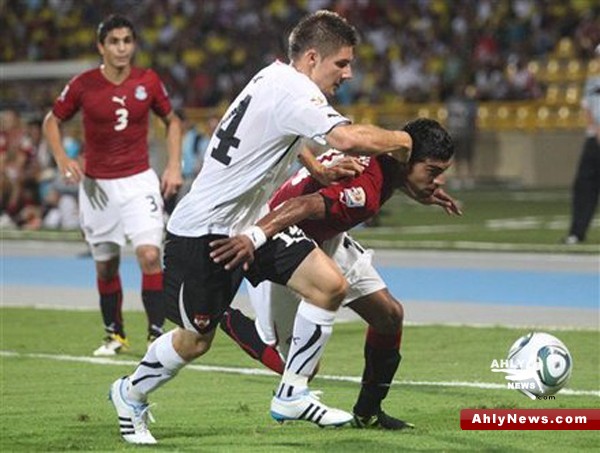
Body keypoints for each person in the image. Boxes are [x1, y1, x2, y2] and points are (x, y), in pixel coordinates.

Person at [108, 10, 414, 445]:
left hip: (250, 223)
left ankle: (293, 393)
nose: (348, 73)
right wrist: (405, 141)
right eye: (341, 64)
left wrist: (315, 169)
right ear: (312, 58)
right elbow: (345, 139)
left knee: (330, 286)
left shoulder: (275, 78)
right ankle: (128, 393)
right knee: (195, 341)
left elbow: (286, 134)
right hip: (205, 233)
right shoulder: (295, 94)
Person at [215, 118, 460, 430]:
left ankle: (368, 412)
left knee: (389, 316)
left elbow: (386, 177)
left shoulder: (381, 153)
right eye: (433, 172)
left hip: (327, 237)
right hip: (281, 240)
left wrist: (418, 190)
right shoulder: (364, 190)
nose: (437, 181)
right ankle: (225, 317)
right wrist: (253, 237)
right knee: (302, 368)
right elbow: (303, 204)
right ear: (405, 159)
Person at [42, 15, 183, 355]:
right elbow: (52, 120)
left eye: (127, 41)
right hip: (97, 188)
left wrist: (174, 166)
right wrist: (62, 158)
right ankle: (115, 334)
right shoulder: (83, 84)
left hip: (138, 181)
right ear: (101, 47)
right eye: (115, 42)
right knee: (106, 263)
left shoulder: (147, 80)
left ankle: (155, 335)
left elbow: (173, 121)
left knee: (150, 255)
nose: (122, 48)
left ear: (133, 45)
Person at [563, 44, 600, 245]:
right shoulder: (593, 82)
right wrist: (595, 129)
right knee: (584, 187)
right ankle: (577, 232)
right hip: (593, 140)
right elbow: (587, 108)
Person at [445, 83, 477, 188]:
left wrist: (475, 131)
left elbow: (473, 119)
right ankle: (457, 177)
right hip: (455, 131)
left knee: (468, 156)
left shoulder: (470, 103)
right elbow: (448, 118)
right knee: (457, 156)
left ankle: (469, 177)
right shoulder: (451, 102)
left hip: (466, 131)